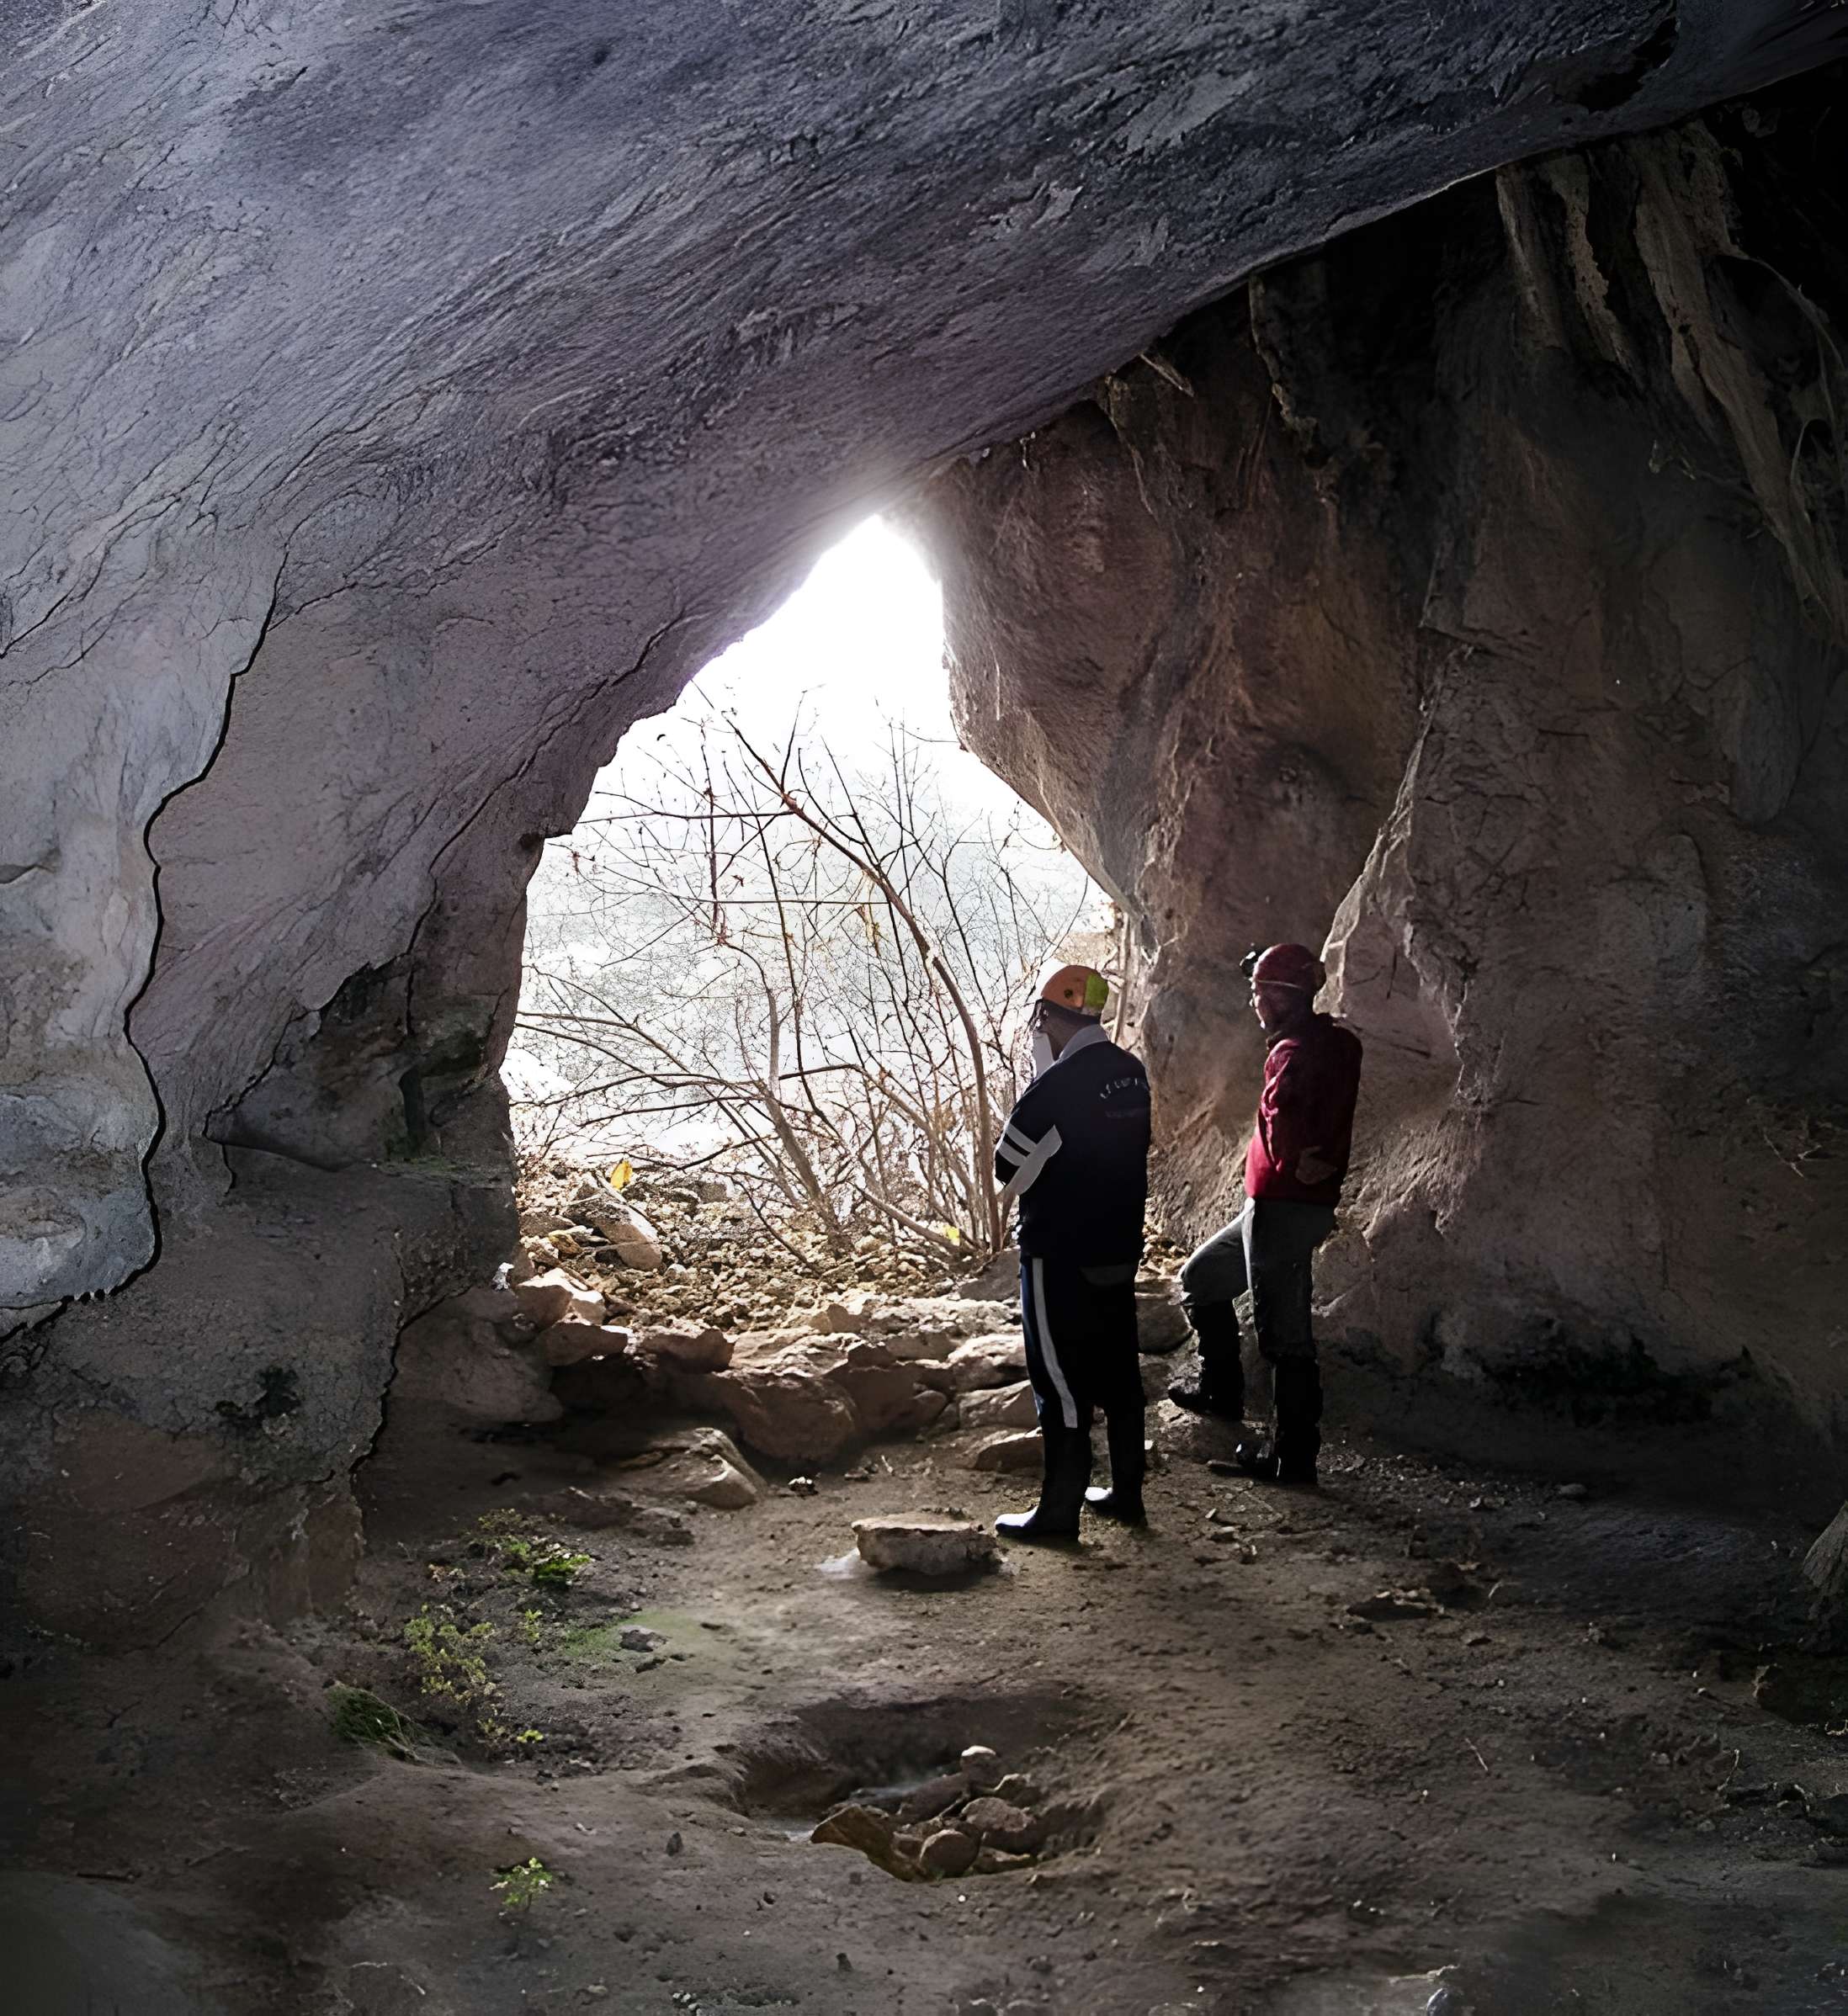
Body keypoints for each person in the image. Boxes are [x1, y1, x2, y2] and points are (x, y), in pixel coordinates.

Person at [1168, 942, 1362, 1488]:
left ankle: (1291, 1457)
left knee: (1285, 1335)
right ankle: (1221, 1391)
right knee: (1202, 1277)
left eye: (1259, 992)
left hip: (1281, 1208)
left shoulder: (1290, 1053)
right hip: (1285, 1206)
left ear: (1280, 997)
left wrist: (1296, 1157)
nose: (1255, 1002)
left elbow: (1283, 1133)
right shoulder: (1338, 1043)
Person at [991, 962, 1152, 1541]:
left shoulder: (1055, 1087)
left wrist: (1038, 1077)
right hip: (1117, 1245)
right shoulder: (1130, 1074)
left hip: (1058, 1251)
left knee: (1058, 1380)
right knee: (1119, 1370)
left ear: (1048, 1018)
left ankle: (1059, 1512)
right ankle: (1128, 1493)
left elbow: (1007, 1168)